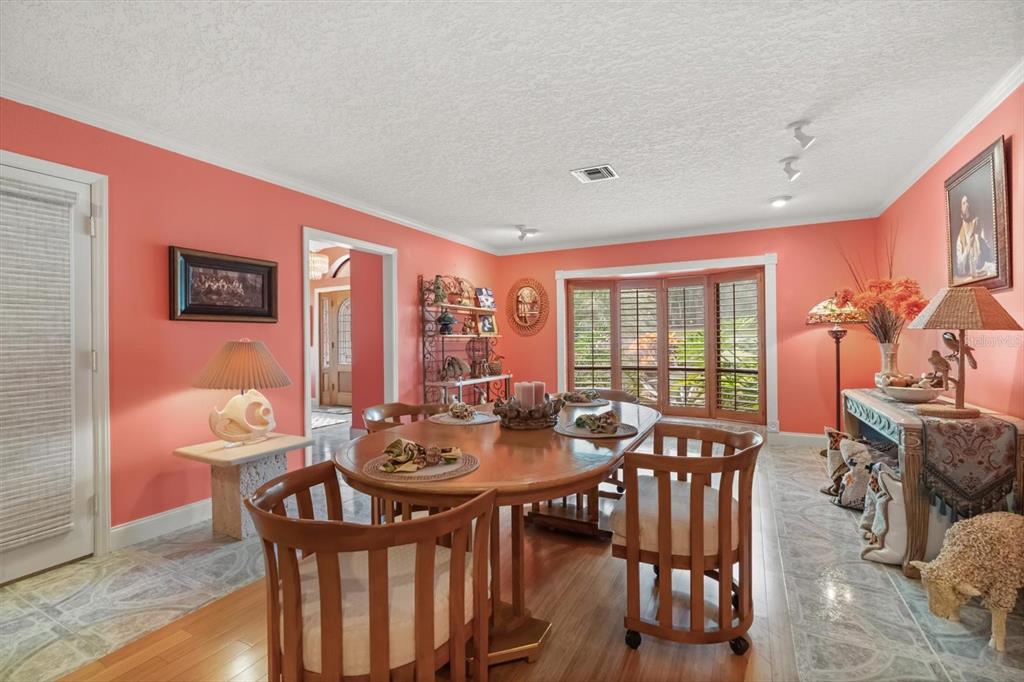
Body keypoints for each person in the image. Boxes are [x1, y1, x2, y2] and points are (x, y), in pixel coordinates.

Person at [954, 195, 994, 282]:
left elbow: (989, 253)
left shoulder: (979, 225)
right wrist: (968, 247)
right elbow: (960, 267)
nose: (967, 205)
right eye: (964, 203)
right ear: (961, 209)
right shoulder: (960, 238)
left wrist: (978, 239)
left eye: (968, 202)